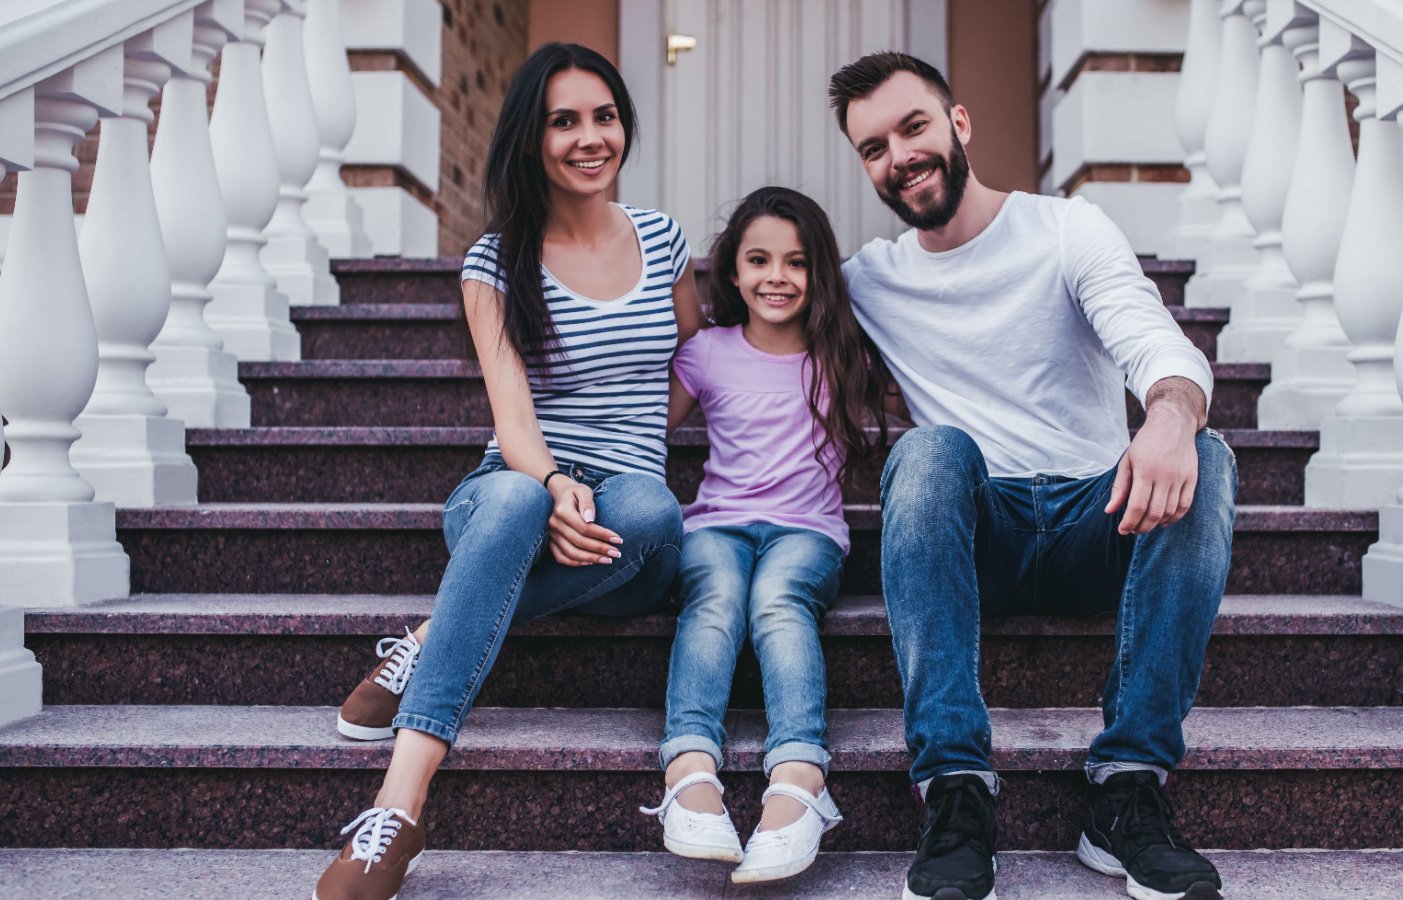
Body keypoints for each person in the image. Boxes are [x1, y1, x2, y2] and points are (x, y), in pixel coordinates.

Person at [828, 52, 1237, 900]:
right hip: (983, 536)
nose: (899, 156)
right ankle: (954, 789)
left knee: (1209, 451)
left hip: (1104, 520)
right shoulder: (871, 279)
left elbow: (1154, 340)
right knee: (929, 450)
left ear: (959, 123)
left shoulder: (1067, 228)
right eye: (873, 148)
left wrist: (1167, 416)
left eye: (913, 127)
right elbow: (738, 309)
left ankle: (1125, 790)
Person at [314, 43, 702, 900]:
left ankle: (422, 644)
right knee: (518, 502)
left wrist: (641, 444)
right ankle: (399, 809)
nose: (589, 137)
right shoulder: (494, 261)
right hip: (516, 483)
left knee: (654, 517)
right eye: (564, 121)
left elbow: (691, 357)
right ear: (532, 138)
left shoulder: (664, 239)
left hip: (625, 504)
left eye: (604, 116)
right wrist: (557, 481)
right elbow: (512, 416)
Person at [640, 186, 888, 884]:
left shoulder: (845, 357)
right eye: (758, 260)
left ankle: (801, 776)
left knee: (777, 599)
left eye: (796, 262)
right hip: (716, 524)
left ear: (820, 275)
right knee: (715, 593)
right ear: (733, 271)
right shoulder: (707, 353)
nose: (776, 276)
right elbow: (642, 434)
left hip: (807, 534)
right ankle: (689, 768)